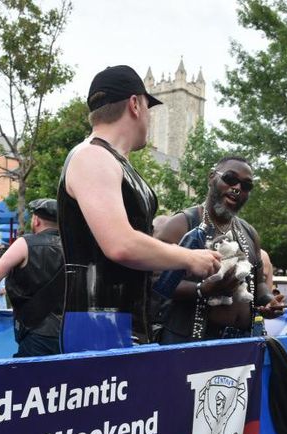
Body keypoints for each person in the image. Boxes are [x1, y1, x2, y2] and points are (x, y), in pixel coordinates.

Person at [58, 64, 219, 351]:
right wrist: (188, 257)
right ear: (135, 104)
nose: (149, 116)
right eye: (148, 107)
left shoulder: (109, 160)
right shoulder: (93, 157)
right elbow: (120, 244)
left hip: (119, 320)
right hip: (99, 322)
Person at [154, 156, 281, 343]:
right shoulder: (182, 223)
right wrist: (202, 290)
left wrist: (269, 301)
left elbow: (259, 283)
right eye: (230, 178)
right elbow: (156, 281)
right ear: (212, 177)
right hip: (191, 344)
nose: (237, 188)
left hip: (243, 343)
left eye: (246, 186)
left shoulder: (249, 232)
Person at [0, 198, 64, 357]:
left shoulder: (26, 243)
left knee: (32, 373)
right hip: (67, 330)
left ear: (36, 220)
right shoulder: (73, 247)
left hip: (35, 329)